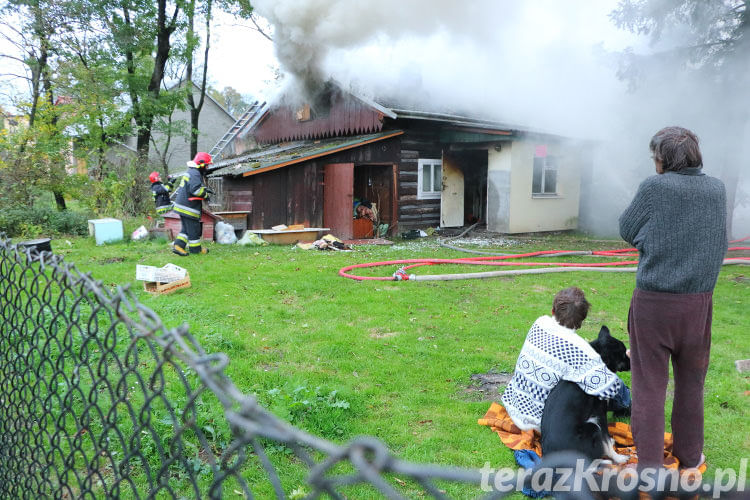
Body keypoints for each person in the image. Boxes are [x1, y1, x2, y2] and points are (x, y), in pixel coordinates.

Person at [619, 126, 727, 471]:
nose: (655, 163)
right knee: (692, 383)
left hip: (654, 305)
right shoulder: (717, 189)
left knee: (649, 386)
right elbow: (715, 239)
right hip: (699, 305)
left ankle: (648, 468)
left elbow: (626, 227)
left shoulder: (655, 187)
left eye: (656, 157)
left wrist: (654, 242)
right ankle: (690, 458)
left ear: (664, 158)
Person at [501, 286, 627, 432]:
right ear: (582, 320)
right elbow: (609, 390)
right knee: (613, 384)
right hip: (543, 422)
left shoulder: (539, 323)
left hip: (513, 406)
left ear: (553, 310)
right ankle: (628, 403)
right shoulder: (580, 349)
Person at [172, 152, 213, 256]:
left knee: (186, 229)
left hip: (183, 206)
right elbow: (195, 190)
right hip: (188, 207)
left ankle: (178, 246)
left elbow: (192, 187)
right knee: (194, 229)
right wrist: (205, 194)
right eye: (207, 165)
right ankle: (196, 250)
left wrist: (205, 189)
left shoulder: (191, 171)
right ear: (201, 164)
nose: (207, 167)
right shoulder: (195, 173)